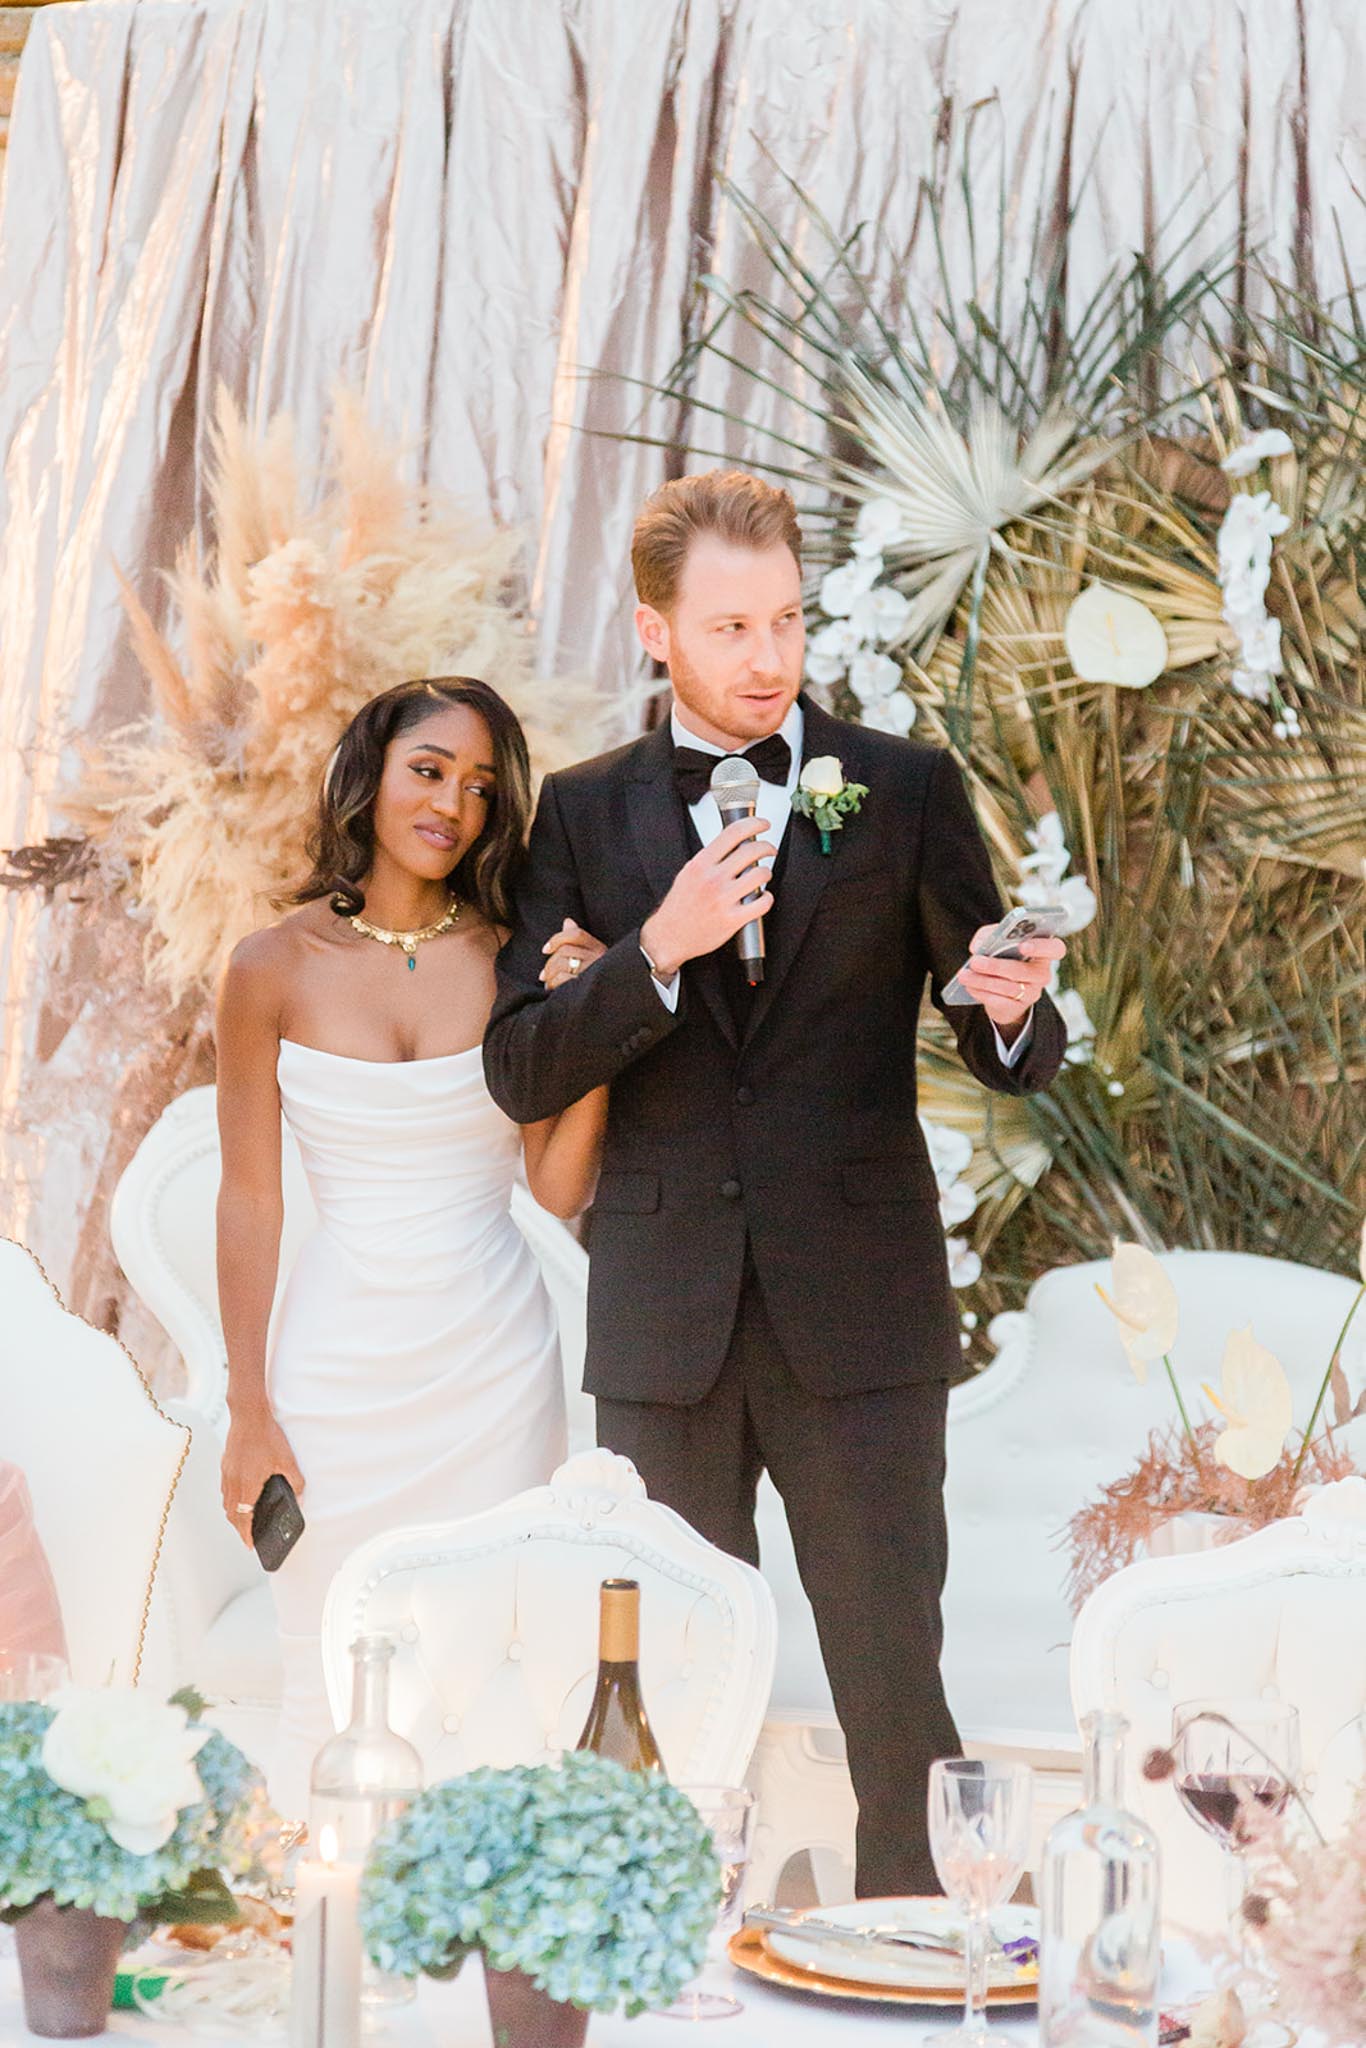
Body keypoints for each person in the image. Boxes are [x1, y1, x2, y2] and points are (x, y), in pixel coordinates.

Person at [483, 471, 1068, 1894]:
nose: (767, 658)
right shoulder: (577, 814)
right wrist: (657, 953)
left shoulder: (903, 786)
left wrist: (1006, 1003)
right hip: (665, 1322)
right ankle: (660, 1968)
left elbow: (1013, 1045)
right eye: (731, 627)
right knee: (664, 1684)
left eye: (787, 621)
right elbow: (518, 1067)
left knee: (891, 1685)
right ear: (653, 631)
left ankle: (916, 1961)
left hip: (859, 1317)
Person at [215, 677, 606, 1813]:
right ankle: (316, 1940)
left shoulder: (511, 957)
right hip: (334, 1366)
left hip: (491, 1358)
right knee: (321, 1667)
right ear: (371, 775)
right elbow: (250, 1199)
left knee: (483, 1676)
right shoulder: (267, 967)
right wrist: (249, 1407)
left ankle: (468, 1955)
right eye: (429, 768)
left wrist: (586, 1037)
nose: (453, 803)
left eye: (481, 786)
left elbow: (557, 1183)